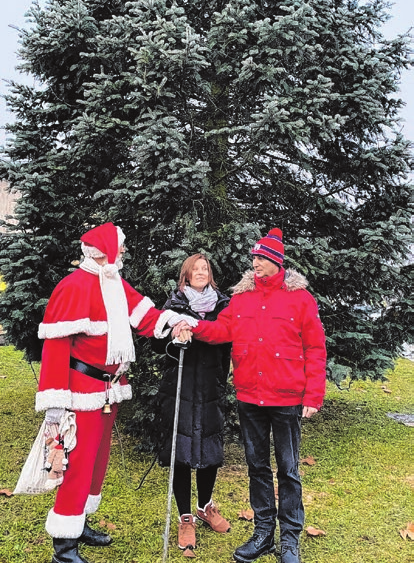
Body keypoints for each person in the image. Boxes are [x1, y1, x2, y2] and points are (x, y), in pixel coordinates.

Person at [35, 222, 196, 563]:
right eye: (121, 246)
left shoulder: (113, 283)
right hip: (81, 392)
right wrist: (55, 402)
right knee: (77, 463)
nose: (124, 251)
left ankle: (79, 523)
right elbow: (56, 348)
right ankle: (64, 547)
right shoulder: (73, 286)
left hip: (109, 391)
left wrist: (177, 323)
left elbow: (146, 316)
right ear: (106, 250)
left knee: (96, 462)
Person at [173, 228, 326, 563]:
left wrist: (313, 395)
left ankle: (289, 539)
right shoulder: (241, 298)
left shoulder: (300, 299)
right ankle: (263, 533)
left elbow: (315, 348)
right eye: (254, 258)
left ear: (276, 262)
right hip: (250, 397)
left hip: (286, 398)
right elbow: (221, 330)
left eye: (261, 258)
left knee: (287, 470)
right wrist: (193, 325)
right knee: (257, 467)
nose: (255, 263)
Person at [151, 253, 231, 555]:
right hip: (180, 389)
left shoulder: (223, 305)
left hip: (210, 387)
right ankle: (185, 516)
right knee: (181, 451)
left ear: (210, 274)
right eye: (195, 269)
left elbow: (228, 340)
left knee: (210, 451)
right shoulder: (174, 305)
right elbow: (156, 341)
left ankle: (205, 507)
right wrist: (174, 333)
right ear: (186, 275)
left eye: (205, 268)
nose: (200, 272)